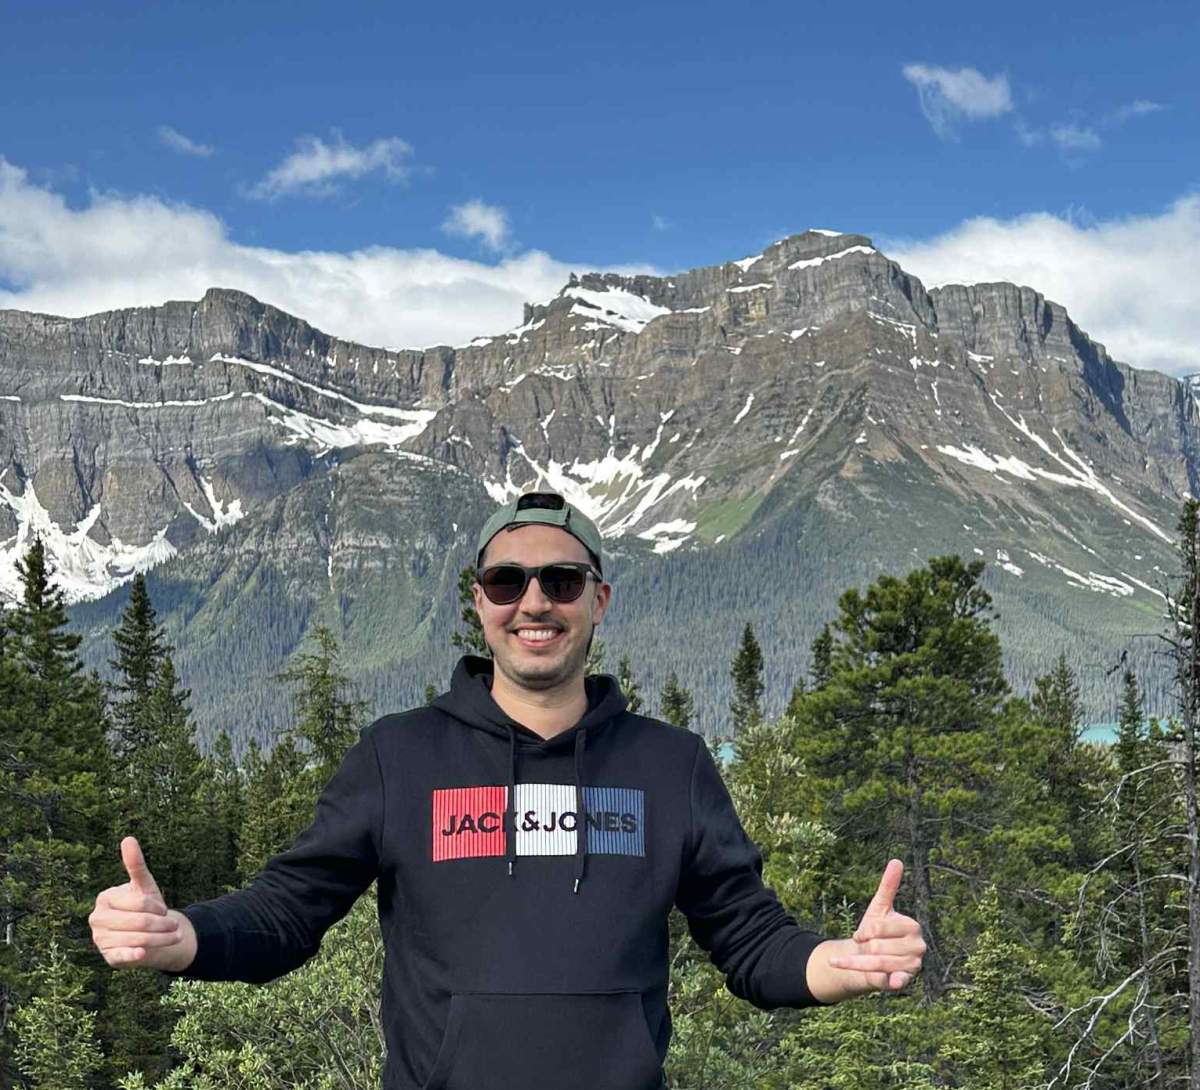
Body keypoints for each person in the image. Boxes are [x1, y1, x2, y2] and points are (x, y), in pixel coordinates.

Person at [89, 489, 926, 1090]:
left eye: (561, 582)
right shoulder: (398, 758)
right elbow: (289, 910)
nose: (534, 603)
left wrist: (836, 963)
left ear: (598, 600)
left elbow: (746, 937)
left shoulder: (670, 766)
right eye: (507, 582)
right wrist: (184, 938)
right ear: (478, 603)